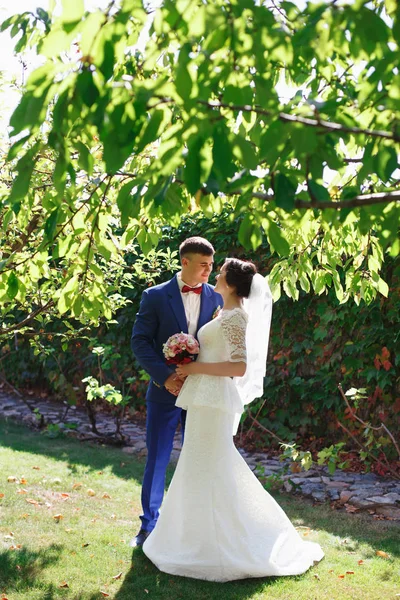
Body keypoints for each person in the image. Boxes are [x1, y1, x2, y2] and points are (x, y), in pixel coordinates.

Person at [142, 258, 324, 581]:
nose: (216, 274)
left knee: (212, 464)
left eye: (221, 271)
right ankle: (193, 537)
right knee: (200, 464)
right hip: (202, 398)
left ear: (232, 283)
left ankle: (225, 544)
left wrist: (195, 368)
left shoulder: (236, 317)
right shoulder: (222, 312)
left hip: (213, 400)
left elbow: (238, 368)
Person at [130, 236, 222, 547]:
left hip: (202, 394)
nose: (209, 271)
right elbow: (140, 341)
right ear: (184, 262)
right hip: (164, 392)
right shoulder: (154, 296)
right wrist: (165, 377)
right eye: (203, 265)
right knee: (157, 458)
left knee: (199, 458)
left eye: (211, 265)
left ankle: (193, 527)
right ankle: (148, 527)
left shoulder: (217, 298)